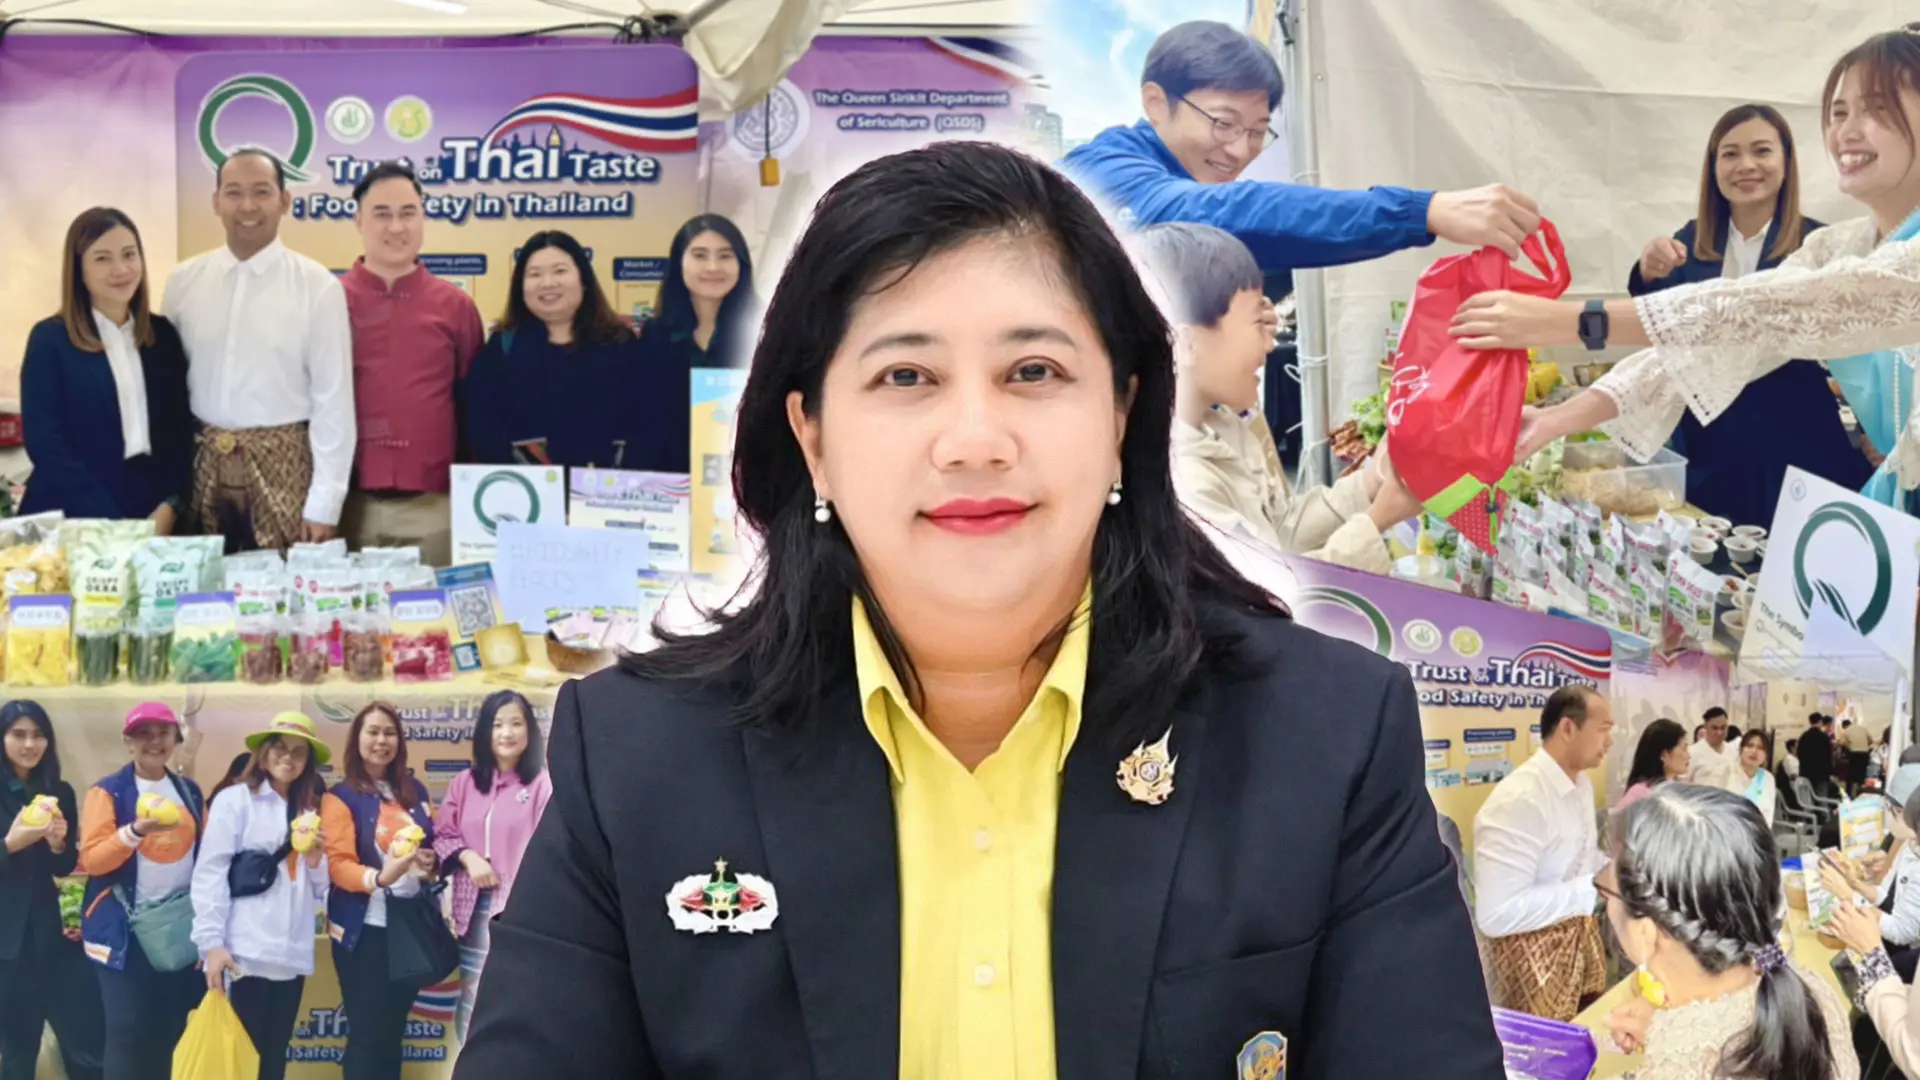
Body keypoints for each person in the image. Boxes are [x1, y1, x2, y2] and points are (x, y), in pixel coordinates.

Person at [453, 141, 1503, 1077]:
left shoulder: (1325, 737)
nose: (973, 441)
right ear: (813, 437)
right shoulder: (635, 755)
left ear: (1122, 411)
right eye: (906, 375)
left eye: (1033, 371)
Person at [1457, 28, 1920, 512]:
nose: (1847, 131)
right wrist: (1558, 419)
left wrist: (1571, 320)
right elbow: (1706, 346)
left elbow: (1762, 310)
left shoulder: (1846, 250)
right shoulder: (1835, 246)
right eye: (1839, 112)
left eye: (1877, 108)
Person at [1059, 20, 1542, 273]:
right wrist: (1422, 211)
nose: (1239, 151)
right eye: (1224, 124)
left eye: (1256, 132)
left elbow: (1281, 237)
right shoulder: (1101, 174)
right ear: (1156, 103)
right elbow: (1218, 213)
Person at [1129, 222, 1423, 572]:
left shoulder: (1220, 427)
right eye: (1258, 323)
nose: (1270, 343)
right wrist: (1376, 521)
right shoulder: (1185, 483)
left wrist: (1372, 480)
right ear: (1186, 344)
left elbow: (1281, 528)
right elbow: (1267, 590)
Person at [1625, 104, 1865, 524]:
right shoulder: (1691, 240)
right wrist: (1646, 272)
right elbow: (1655, 321)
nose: (1746, 165)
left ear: (1786, 162)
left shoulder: (1819, 243)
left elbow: (1862, 346)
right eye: (1730, 154)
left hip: (1797, 440)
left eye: (1762, 151)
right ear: (1713, 167)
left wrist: (1871, 428)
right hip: (1711, 445)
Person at [163, 148, 354, 551]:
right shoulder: (184, 281)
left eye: (262, 192)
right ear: (216, 202)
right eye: (233, 192)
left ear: (284, 201)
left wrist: (325, 503)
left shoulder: (317, 286)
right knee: (202, 583)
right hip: (201, 469)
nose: (247, 206)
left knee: (282, 586)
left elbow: (333, 401)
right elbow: (168, 388)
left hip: (285, 472)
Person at [1599, 784, 1857, 1080]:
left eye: (1607, 890)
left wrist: (1670, 1047)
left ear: (1646, 932)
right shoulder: (1815, 995)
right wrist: (1668, 1031)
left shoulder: (1673, 1070)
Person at [339, 162, 485, 566]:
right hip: (347, 505)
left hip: (436, 507)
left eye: (408, 213)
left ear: (423, 218)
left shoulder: (455, 307)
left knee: (432, 608)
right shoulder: (328, 301)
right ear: (359, 221)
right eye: (381, 214)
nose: (396, 227)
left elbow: (474, 408)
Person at [19, 208, 194, 528]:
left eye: (129, 254)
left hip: (151, 507)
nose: (121, 269)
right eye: (102, 259)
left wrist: (170, 504)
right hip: (74, 510)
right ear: (79, 270)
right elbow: (47, 443)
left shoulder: (162, 335)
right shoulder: (50, 340)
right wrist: (112, 522)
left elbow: (180, 431)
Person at [190, 714, 330, 1080]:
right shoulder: (235, 800)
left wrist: (316, 859)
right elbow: (210, 872)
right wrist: (211, 944)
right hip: (244, 954)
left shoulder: (310, 810)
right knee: (239, 1062)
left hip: (290, 955)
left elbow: (319, 888)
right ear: (263, 753)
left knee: (273, 1060)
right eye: (280, 748)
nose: (288, 758)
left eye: (299, 752)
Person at [76, 703, 204, 1080]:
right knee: (126, 1031)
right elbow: (93, 860)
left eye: (163, 733)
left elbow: (205, 859)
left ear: (176, 739)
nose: (154, 741)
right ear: (128, 742)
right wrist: (134, 832)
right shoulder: (107, 792)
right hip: (122, 932)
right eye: (143, 734)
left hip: (175, 929)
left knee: (168, 1028)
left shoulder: (189, 792)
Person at [1473, 685, 1615, 1021]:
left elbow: (1583, 857)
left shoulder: (1581, 784)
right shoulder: (1520, 800)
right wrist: (1593, 887)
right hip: (1528, 968)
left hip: (1576, 950)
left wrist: (1617, 871)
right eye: (1603, 730)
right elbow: (1496, 914)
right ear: (1568, 728)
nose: (1609, 742)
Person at [459, 230, 645, 469]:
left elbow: (645, 424)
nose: (547, 283)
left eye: (560, 271)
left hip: (608, 487)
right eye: (534, 274)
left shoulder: (620, 343)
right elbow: (483, 429)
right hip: (525, 488)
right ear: (520, 287)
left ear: (584, 280)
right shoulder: (503, 347)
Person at [320, 703, 436, 1080]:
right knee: (367, 1035)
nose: (381, 740)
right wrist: (379, 878)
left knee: (393, 1033)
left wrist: (428, 863)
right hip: (364, 931)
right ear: (356, 739)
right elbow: (339, 864)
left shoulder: (414, 791)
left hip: (407, 928)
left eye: (389, 732)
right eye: (372, 732)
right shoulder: (340, 796)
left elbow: (429, 846)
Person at [431, 690, 549, 1044]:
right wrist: (468, 858)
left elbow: (553, 848)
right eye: (497, 725)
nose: (507, 733)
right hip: (471, 914)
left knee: (517, 1001)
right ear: (485, 732)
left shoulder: (542, 784)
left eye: (516, 723)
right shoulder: (465, 783)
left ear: (530, 731)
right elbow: (442, 835)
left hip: (521, 914)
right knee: (471, 1001)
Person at [0, 702, 102, 1080]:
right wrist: (11, 843)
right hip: (5, 937)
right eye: (18, 734)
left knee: (57, 1038)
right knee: (15, 1043)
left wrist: (59, 845)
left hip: (45, 935)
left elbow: (63, 867)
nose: (30, 744)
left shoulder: (58, 791)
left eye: (38, 735)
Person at [630, 215, 759, 474]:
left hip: (745, 472)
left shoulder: (763, 330)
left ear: (741, 264)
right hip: (672, 478)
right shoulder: (656, 334)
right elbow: (646, 415)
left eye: (725, 256)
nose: (713, 267)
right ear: (679, 263)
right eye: (699, 255)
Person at [1829, 766, 1920, 1078]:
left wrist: (1871, 954)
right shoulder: (1907, 847)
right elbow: (1886, 896)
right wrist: (1857, 886)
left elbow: (1912, 1054)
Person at [1614, 718, 1689, 817]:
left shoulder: (1683, 788)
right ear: (1664, 755)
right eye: (1684, 749)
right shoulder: (1640, 793)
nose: (1688, 755)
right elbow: (1620, 823)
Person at [1723, 730, 1778, 829]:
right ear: (1741, 749)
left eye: (1760, 748)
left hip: (1756, 833)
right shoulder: (1727, 771)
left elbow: (1768, 815)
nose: (1754, 751)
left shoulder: (1768, 778)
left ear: (1766, 755)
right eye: (1750, 745)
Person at [1686, 707, 1741, 788]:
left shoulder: (1734, 752)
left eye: (1723, 728)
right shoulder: (1692, 752)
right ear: (1706, 727)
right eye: (1715, 728)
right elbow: (1684, 783)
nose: (1719, 732)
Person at [1803, 713, 1838, 797]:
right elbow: (1828, 756)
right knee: (1822, 796)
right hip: (1821, 774)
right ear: (1820, 722)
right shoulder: (1823, 737)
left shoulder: (1804, 737)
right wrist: (1831, 772)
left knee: (1809, 797)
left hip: (1807, 773)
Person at [1846, 718, 1878, 796]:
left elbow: (1842, 742)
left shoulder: (1848, 730)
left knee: (1851, 774)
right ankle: (1860, 792)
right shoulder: (1864, 729)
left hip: (1854, 753)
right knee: (1862, 773)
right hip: (1864, 754)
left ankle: (1849, 793)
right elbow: (1871, 740)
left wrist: (1849, 747)